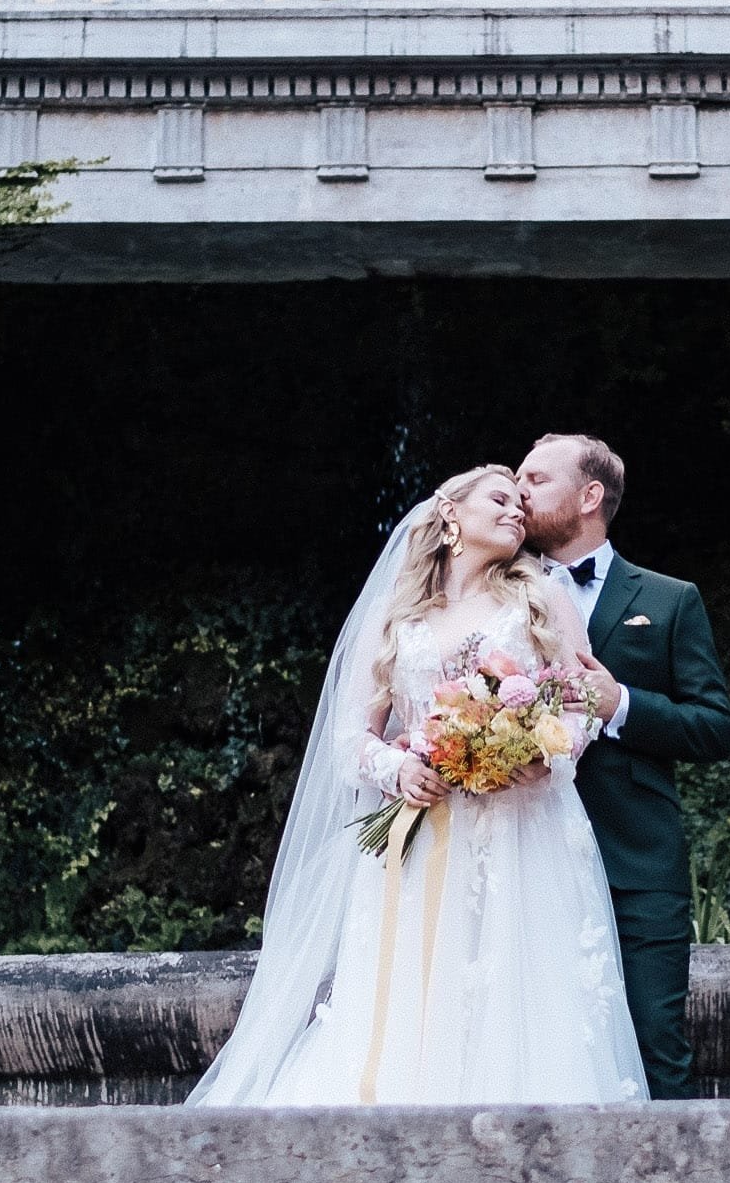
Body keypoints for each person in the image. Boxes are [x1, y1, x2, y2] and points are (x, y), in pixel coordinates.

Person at [190, 464, 648, 1105]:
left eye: (523, 503)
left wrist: (548, 756)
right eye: (501, 499)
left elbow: (579, 702)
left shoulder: (540, 595)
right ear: (451, 515)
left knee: (521, 988)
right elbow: (349, 738)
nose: (518, 511)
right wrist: (397, 767)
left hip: (525, 826)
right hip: (421, 829)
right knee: (408, 988)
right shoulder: (396, 615)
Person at [515, 432, 730, 1099]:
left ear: (589, 497)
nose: (519, 492)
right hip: (527, 858)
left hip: (634, 861)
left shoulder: (669, 600)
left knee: (655, 1042)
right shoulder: (497, 600)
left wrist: (622, 704)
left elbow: (715, 728)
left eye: (535, 479)